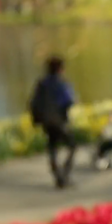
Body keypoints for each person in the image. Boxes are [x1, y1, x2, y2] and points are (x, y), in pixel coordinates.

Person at [29, 56, 77, 189]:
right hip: (59, 120)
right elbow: (69, 100)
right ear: (61, 69)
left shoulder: (41, 83)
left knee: (52, 147)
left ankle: (57, 175)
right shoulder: (61, 83)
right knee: (72, 145)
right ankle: (64, 174)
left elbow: (33, 102)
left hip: (46, 121)